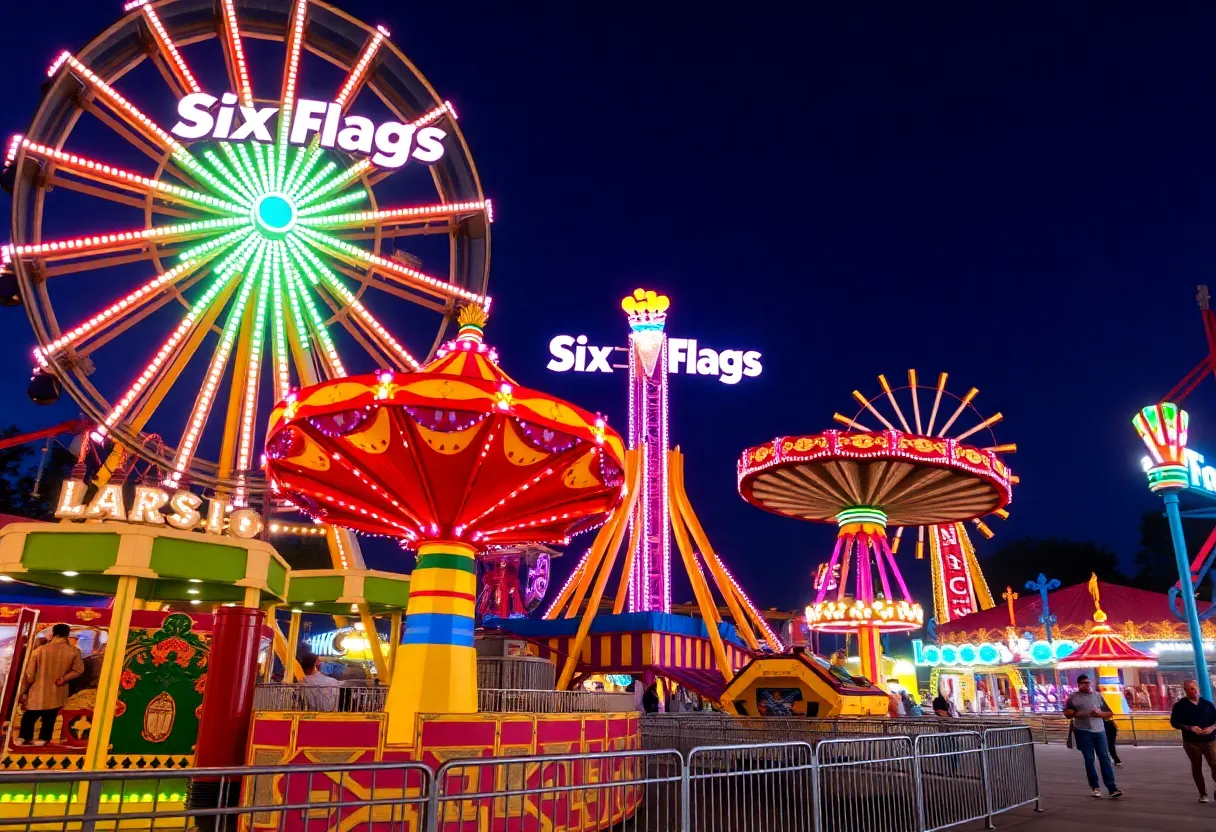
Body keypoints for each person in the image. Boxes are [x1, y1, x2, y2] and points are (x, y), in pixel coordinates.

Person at [16, 624, 83, 746]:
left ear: (54, 633)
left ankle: (23, 737)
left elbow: (29, 674)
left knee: (29, 715)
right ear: (67, 634)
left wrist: (23, 690)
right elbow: (78, 670)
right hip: (58, 690)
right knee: (50, 716)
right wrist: (64, 679)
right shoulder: (74, 651)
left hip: (37, 690)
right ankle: (43, 739)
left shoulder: (39, 650)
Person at [1063, 675, 1123, 799]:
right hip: (1083, 731)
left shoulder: (1097, 696)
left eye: (1088, 683)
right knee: (1089, 759)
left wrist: (1099, 714)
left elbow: (1109, 713)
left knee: (1105, 758)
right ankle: (1095, 787)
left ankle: (1112, 788)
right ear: (1079, 684)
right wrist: (1084, 713)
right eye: (1083, 683)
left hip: (1099, 731)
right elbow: (1067, 713)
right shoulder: (1073, 698)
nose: (1086, 685)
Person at [1169, 679, 1216, 802]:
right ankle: (1203, 793)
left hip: (1210, 740)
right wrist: (1190, 728)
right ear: (1185, 690)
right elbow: (1174, 722)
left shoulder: (1207, 704)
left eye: (1195, 688)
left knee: (1215, 764)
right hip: (1191, 742)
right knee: (1197, 767)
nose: (1194, 691)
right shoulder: (1180, 706)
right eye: (1191, 689)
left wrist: (1212, 728)